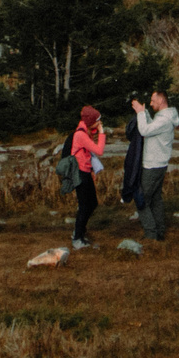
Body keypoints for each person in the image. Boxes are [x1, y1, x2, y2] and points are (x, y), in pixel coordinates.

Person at [128, 89, 179, 241]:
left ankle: (151, 235)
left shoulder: (164, 120)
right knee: (156, 199)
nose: (151, 103)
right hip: (160, 164)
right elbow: (152, 128)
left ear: (161, 100)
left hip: (152, 166)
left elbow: (144, 130)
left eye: (153, 100)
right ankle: (160, 231)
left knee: (141, 200)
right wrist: (146, 114)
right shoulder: (165, 117)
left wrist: (140, 112)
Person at [68, 104, 107, 249]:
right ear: (91, 121)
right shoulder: (81, 135)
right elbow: (99, 150)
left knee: (92, 203)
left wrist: (91, 171)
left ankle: (79, 232)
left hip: (85, 171)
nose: (100, 123)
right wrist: (102, 132)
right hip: (79, 173)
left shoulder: (86, 130)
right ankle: (77, 238)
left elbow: (86, 154)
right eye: (98, 120)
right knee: (85, 206)